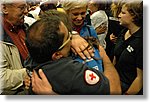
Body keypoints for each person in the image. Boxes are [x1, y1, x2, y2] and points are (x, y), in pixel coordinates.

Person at [25, 12, 121, 95]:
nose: (72, 40)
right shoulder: (73, 72)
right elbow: (114, 91)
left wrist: (75, 36)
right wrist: (105, 58)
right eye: (69, 37)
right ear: (57, 55)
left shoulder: (33, 58)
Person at [61, 0, 104, 72]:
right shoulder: (61, 31)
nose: (80, 18)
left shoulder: (90, 30)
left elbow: (99, 53)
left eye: (83, 13)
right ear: (67, 13)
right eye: (75, 14)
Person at [113, 0, 143, 95]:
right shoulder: (123, 32)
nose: (119, 15)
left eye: (123, 12)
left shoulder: (142, 41)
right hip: (116, 84)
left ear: (134, 16)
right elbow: (116, 57)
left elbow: (140, 79)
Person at [0, 0, 29, 94]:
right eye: (21, 8)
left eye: (26, 7)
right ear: (4, 8)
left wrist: (73, 35)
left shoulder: (26, 27)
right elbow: (2, 78)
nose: (26, 11)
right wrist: (30, 72)